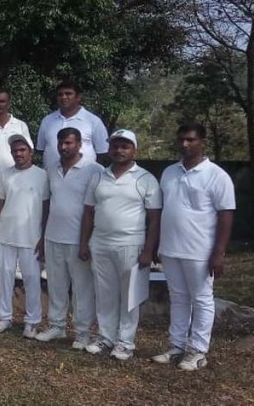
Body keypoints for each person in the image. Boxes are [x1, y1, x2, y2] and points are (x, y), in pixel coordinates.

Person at [151, 123, 235, 371]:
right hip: (171, 248)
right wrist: (157, 244)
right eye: (181, 140)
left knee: (201, 299)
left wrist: (218, 252)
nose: (185, 144)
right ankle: (176, 346)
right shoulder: (169, 172)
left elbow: (226, 215)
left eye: (190, 140)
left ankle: (198, 351)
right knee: (178, 298)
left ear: (202, 142)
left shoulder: (216, 175)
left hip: (200, 250)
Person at [79, 129, 161, 360]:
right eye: (115, 146)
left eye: (125, 146)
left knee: (129, 296)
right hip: (101, 243)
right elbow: (88, 213)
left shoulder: (145, 179)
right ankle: (106, 337)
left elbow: (155, 218)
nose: (119, 150)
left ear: (134, 150)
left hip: (131, 244)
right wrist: (84, 243)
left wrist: (148, 250)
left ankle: (125, 342)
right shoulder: (98, 176)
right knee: (105, 293)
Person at [35, 127, 103, 348]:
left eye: (69, 143)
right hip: (54, 236)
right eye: (61, 143)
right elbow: (48, 205)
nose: (64, 147)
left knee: (82, 288)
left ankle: (82, 332)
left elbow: (95, 209)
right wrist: (43, 236)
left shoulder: (94, 170)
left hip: (79, 240)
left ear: (79, 144)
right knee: (56, 285)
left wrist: (87, 241)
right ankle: (57, 326)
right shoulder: (52, 169)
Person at [0, 134, 49, 338]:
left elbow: (46, 207)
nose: (18, 154)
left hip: (31, 237)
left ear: (30, 152)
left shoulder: (42, 175)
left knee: (31, 279)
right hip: (7, 235)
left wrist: (43, 236)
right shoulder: (4, 174)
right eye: (15, 151)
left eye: (22, 150)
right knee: (4, 277)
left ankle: (32, 322)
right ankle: (4, 318)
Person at [36, 82, 109, 169]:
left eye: (68, 93)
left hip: (84, 177)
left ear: (78, 97)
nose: (63, 97)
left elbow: (103, 153)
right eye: (60, 94)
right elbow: (40, 150)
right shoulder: (47, 120)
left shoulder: (93, 121)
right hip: (52, 176)